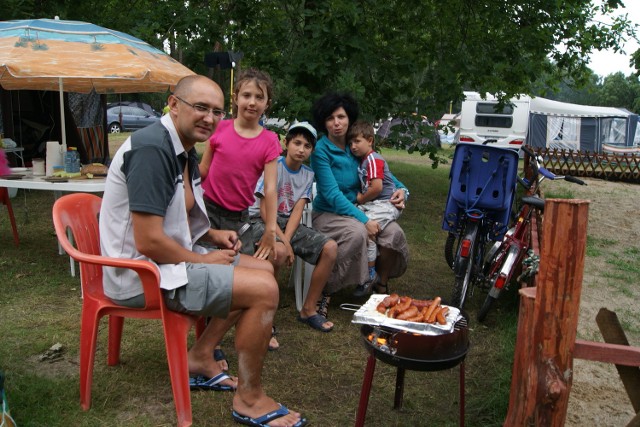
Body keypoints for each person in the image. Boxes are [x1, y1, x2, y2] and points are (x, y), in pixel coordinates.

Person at [99, 75, 307, 427]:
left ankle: (199, 355)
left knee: (263, 270)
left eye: (216, 111)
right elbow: (148, 241)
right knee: (264, 290)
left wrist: (212, 235)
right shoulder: (153, 150)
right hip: (141, 274)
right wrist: (203, 258)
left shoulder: (181, 147)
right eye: (200, 107)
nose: (210, 118)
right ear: (173, 104)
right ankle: (249, 399)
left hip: (166, 262)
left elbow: (174, 214)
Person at [198, 67, 282, 350]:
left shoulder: (269, 141)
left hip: (238, 219)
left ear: (267, 103)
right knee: (214, 273)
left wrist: (271, 230)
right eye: (246, 95)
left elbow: (270, 189)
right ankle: (210, 339)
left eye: (259, 97)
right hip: (207, 212)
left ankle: (253, 326)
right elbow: (203, 169)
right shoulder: (219, 129)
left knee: (244, 275)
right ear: (235, 98)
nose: (252, 102)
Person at [310, 92, 409, 312]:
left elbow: (383, 173)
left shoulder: (355, 145)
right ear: (323, 122)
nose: (337, 123)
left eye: (341, 117)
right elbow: (332, 195)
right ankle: (324, 290)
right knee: (357, 233)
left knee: (394, 234)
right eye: (330, 118)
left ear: (349, 118)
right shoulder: (321, 151)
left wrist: (403, 190)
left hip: (361, 209)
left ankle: (380, 285)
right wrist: (364, 219)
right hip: (330, 213)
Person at [248, 121, 337, 332]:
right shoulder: (274, 165)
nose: (301, 149)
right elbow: (264, 210)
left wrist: (287, 240)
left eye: (307, 146)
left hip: (288, 224)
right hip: (261, 221)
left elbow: (297, 210)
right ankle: (264, 319)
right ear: (286, 143)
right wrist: (284, 244)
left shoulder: (308, 174)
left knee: (330, 248)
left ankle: (308, 309)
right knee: (277, 251)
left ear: (312, 150)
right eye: (297, 143)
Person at [348, 120, 403, 296]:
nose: (353, 146)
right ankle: (371, 270)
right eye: (350, 143)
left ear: (370, 140)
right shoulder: (364, 160)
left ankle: (370, 274)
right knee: (358, 223)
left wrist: (360, 198)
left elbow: (377, 187)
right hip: (377, 204)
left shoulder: (372, 159)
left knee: (368, 230)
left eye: (357, 141)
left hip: (385, 204)